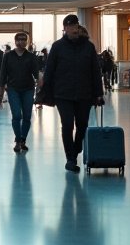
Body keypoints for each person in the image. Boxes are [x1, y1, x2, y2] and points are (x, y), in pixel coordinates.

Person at [40, 14, 105, 173]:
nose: (73, 29)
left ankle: (76, 149)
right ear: (65, 29)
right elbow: (49, 71)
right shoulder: (57, 47)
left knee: (82, 124)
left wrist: (99, 93)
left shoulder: (88, 47)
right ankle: (70, 158)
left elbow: (95, 71)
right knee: (67, 124)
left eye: (75, 25)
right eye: (70, 26)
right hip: (63, 94)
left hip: (85, 93)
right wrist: (45, 92)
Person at [0, 31, 43, 153]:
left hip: (28, 89)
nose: (21, 42)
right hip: (13, 89)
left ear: (27, 42)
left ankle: (23, 139)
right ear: (15, 41)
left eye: (23, 39)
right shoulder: (8, 56)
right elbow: (3, 73)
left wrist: (41, 83)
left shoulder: (31, 57)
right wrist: (0, 88)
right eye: (18, 39)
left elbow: (36, 73)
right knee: (17, 115)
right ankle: (18, 139)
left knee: (27, 116)